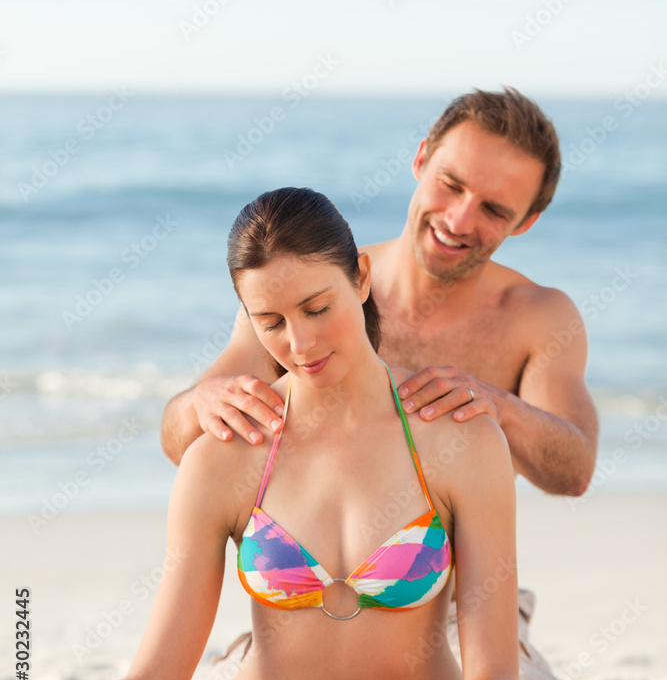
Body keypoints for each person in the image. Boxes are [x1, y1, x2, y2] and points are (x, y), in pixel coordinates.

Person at [0, 188, 604, 680]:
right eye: (271, 323)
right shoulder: (226, 457)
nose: (301, 342)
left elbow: (497, 678)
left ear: (361, 279)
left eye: (318, 307)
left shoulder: (457, 439)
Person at [161, 88, 599, 501]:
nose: (459, 220)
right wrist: (202, 402)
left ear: (525, 222)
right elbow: (180, 440)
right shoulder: (316, 290)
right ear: (422, 158)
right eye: (451, 184)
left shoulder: (541, 317)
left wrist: (500, 406)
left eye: (493, 209)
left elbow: (575, 473)